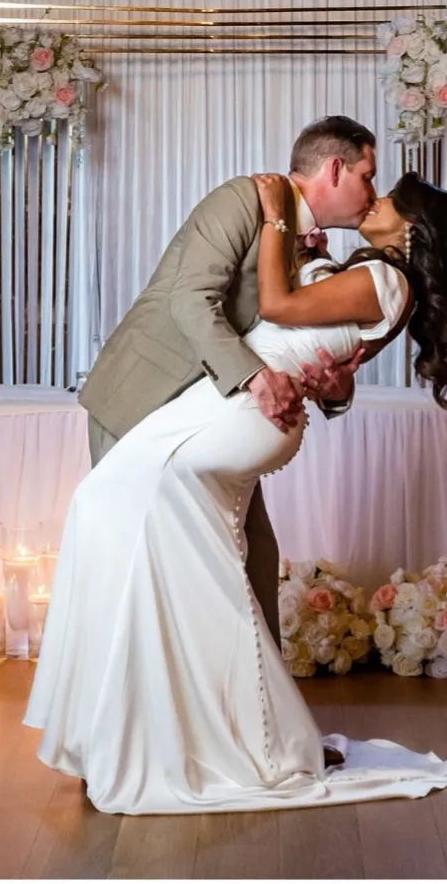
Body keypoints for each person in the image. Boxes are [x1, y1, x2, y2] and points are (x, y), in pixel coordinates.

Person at [24, 165, 447, 814]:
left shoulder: (381, 279)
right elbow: (331, 367)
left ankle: (195, 737)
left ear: (410, 228)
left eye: (384, 199)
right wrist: (307, 268)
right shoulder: (373, 276)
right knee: (182, 554)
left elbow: (275, 308)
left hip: (242, 412)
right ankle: (181, 730)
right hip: (236, 406)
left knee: (125, 522)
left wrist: (275, 221)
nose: (370, 199)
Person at [77, 116, 377, 645]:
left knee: (251, 550)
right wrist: (258, 378)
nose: (372, 194)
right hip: (144, 398)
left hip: (214, 417)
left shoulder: (316, 254)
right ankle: (134, 710)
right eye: (367, 176)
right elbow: (190, 300)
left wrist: (336, 389)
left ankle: (249, 708)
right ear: (335, 168)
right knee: (134, 559)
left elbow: (308, 350)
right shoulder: (243, 199)